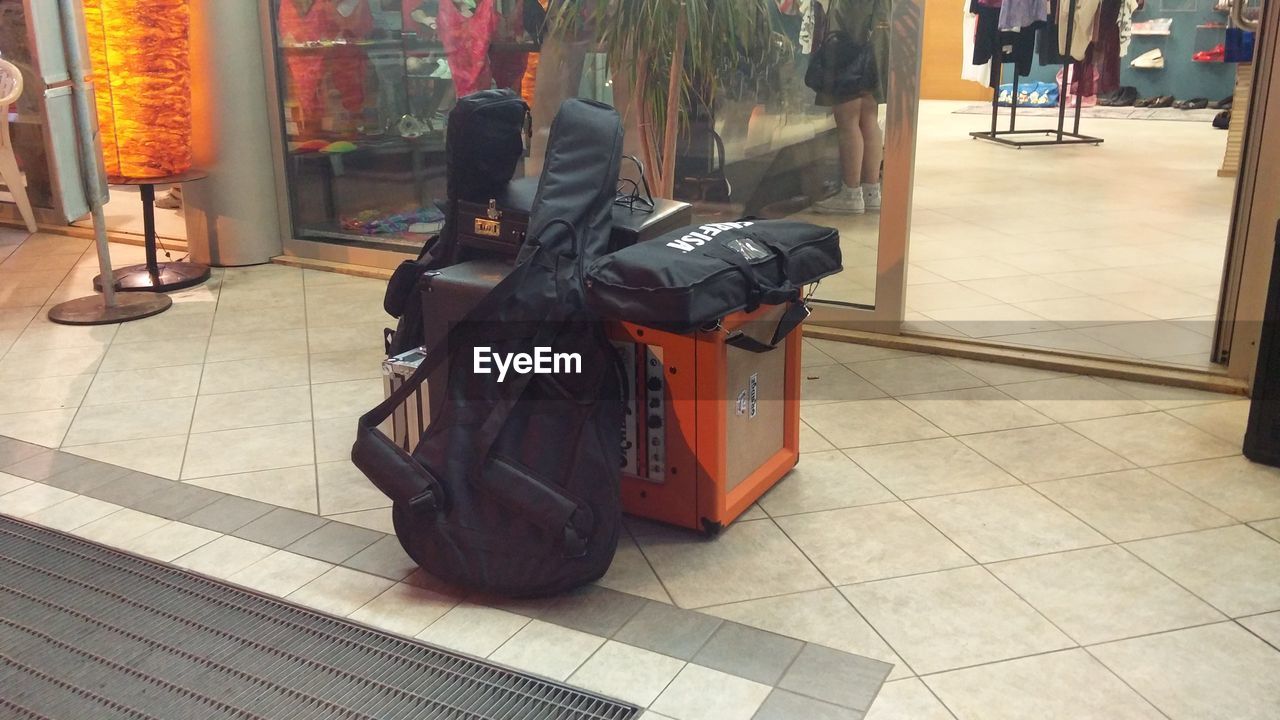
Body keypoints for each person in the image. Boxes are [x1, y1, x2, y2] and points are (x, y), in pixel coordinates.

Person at [812, 0, 890, 215]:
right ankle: (871, 190)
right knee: (869, 119)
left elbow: (849, 21)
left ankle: (851, 192)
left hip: (851, 54)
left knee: (848, 120)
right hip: (876, 50)